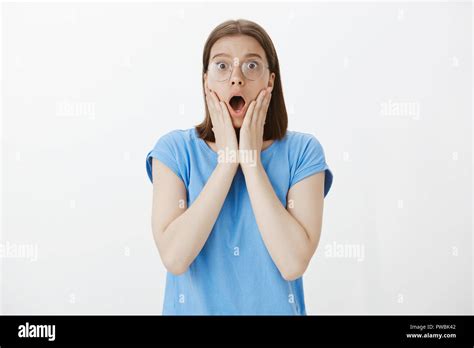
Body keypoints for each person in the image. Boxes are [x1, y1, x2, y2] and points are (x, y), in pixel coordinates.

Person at [145, 19, 333, 315]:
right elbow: (175, 258)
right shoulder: (174, 151)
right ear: (206, 79)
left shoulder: (303, 152)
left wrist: (251, 162)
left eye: (251, 66)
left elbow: (292, 263)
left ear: (270, 81)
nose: (236, 78)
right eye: (222, 66)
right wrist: (226, 163)